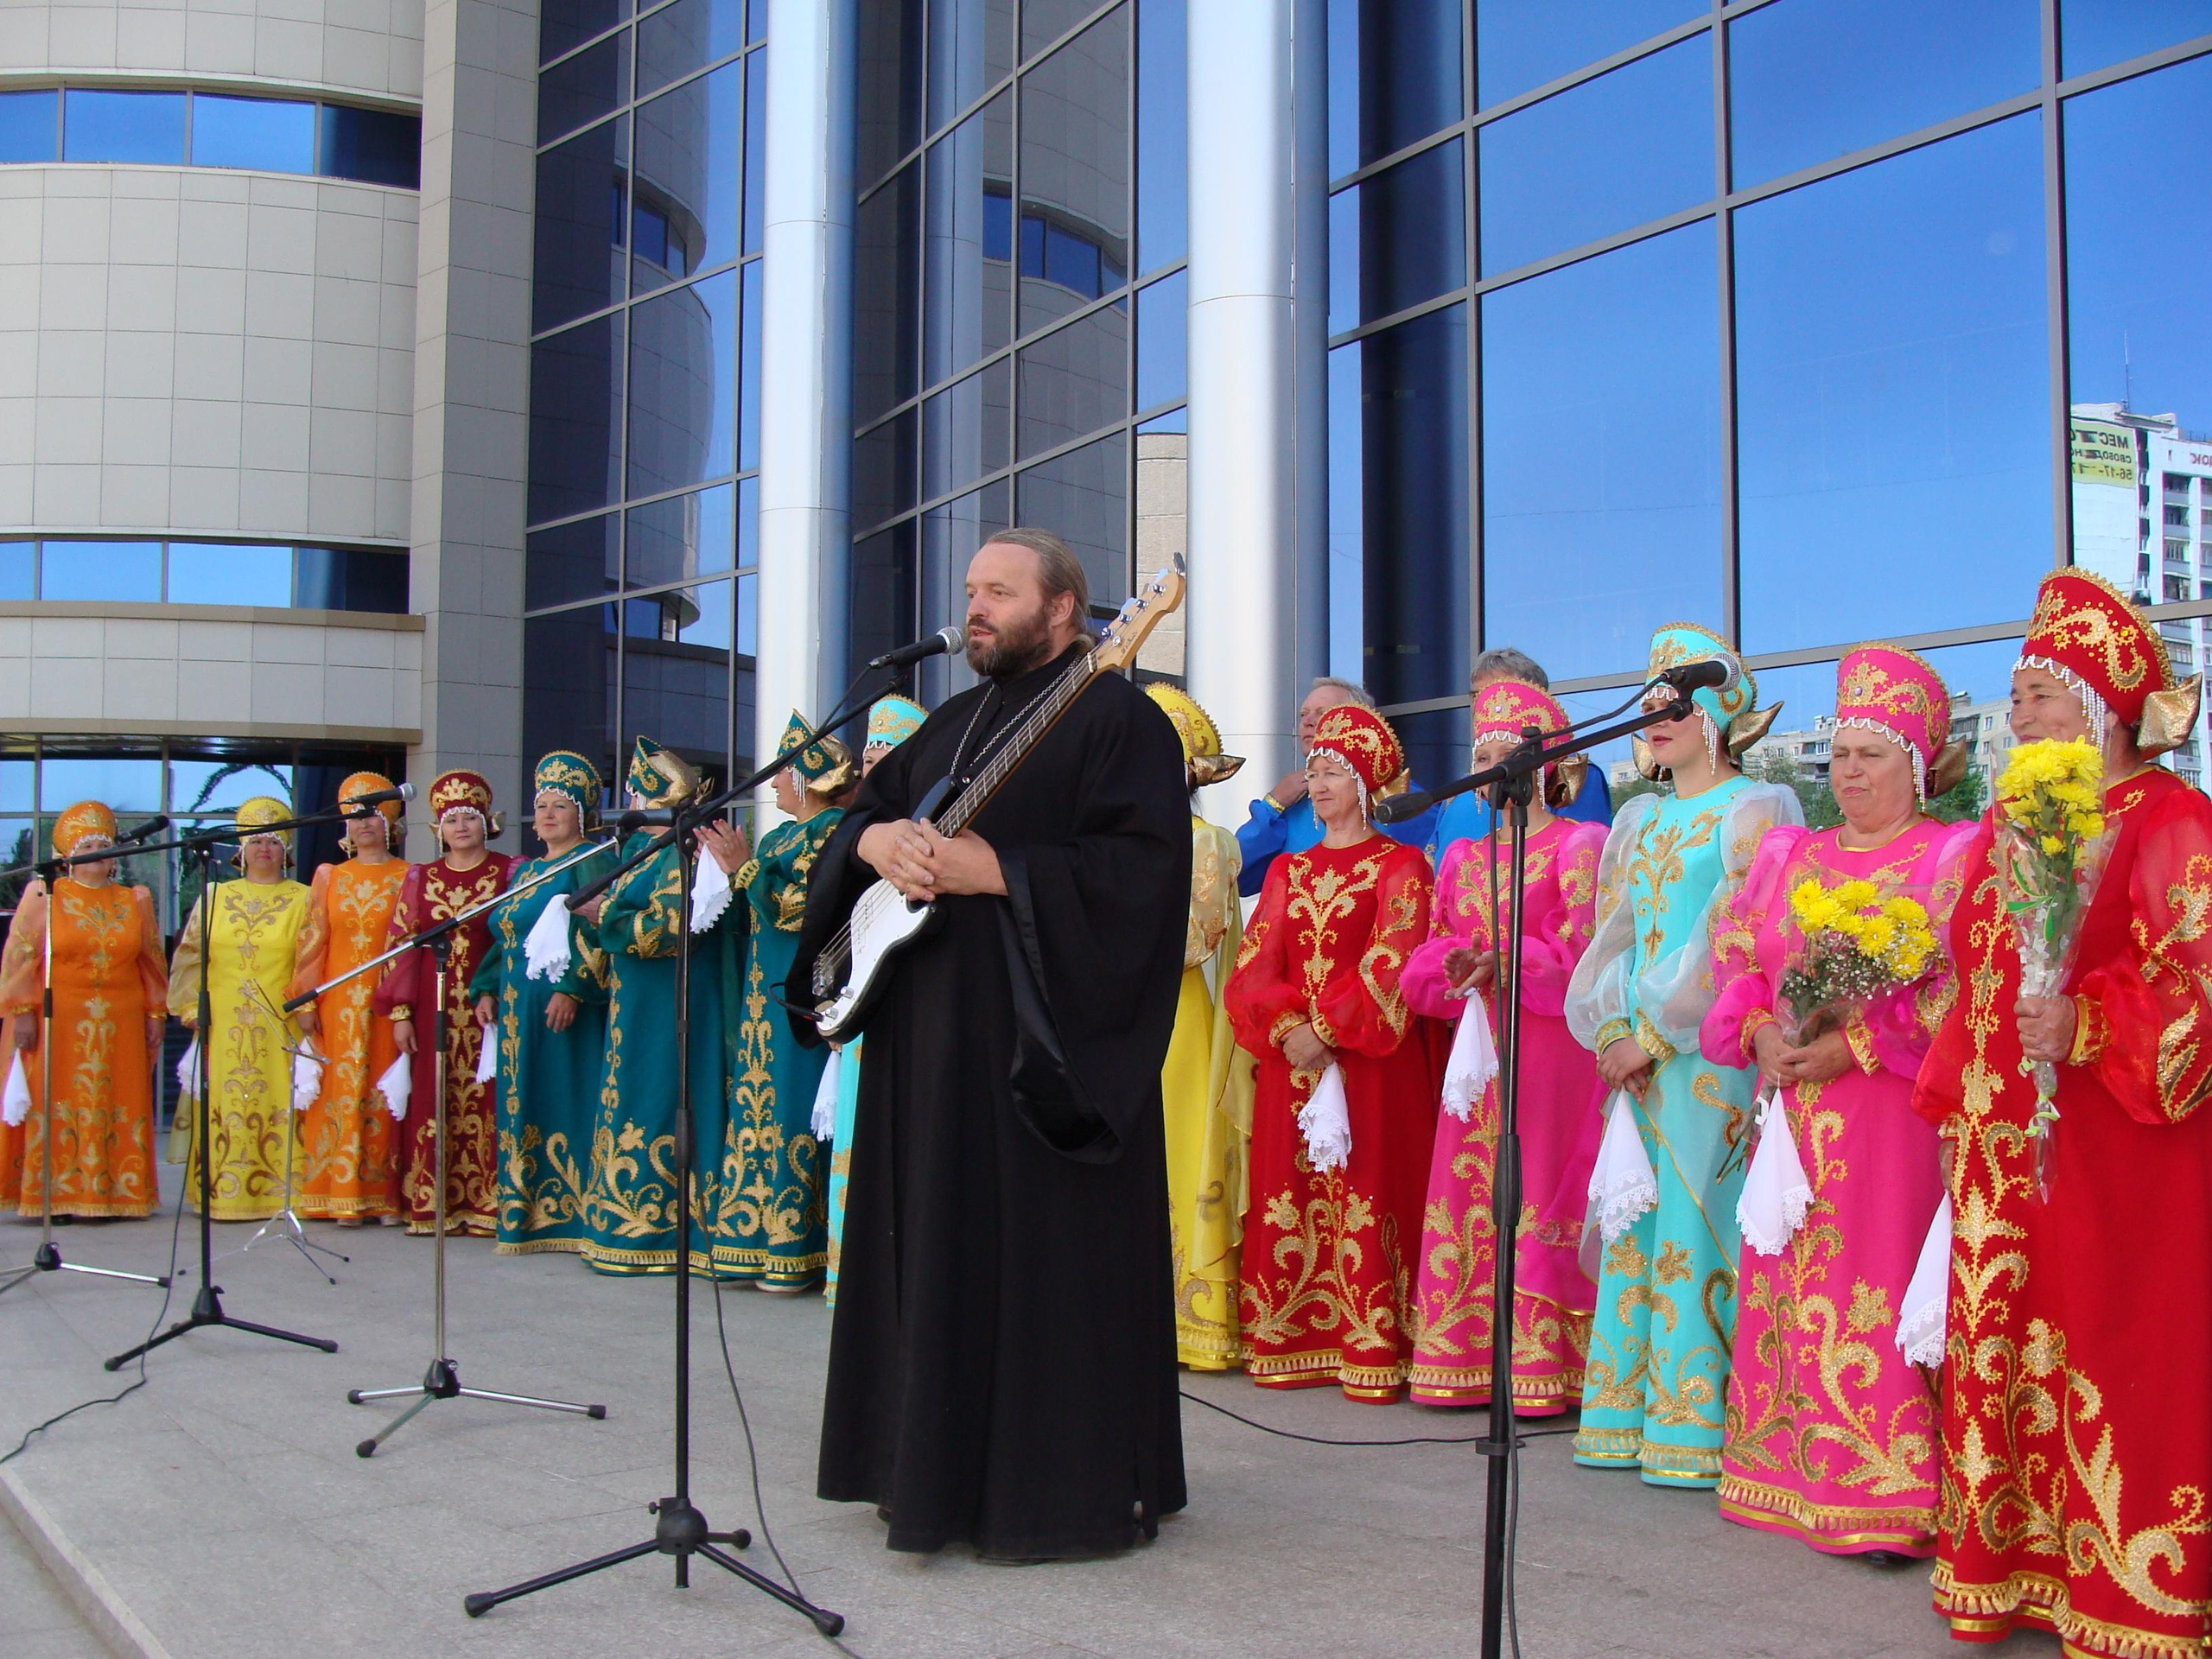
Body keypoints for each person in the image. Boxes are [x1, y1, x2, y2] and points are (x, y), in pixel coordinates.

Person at [792, 527, 1190, 1558]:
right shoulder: (953, 720)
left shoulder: (1122, 721)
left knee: (1031, 1266)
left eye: (997, 592)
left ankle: (1049, 1492)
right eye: (971, 590)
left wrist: (1002, 872)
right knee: (930, 1249)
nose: (974, 608)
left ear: (1062, 609)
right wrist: (870, 839)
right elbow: (865, 826)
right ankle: (923, 1473)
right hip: (926, 1046)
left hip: (1037, 1054)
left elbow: (1145, 875)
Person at [1912, 570, 2212, 1656]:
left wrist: (2083, 1029)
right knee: (2006, 1343)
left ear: (2101, 707)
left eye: (2041, 690)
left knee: (2112, 1343)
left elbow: (2199, 988)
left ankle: (2132, 1586)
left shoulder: (2172, 819)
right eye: (2019, 692)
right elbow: (1971, 981)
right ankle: (2016, 1566)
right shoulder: (2009, 829)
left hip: (2117, 1149)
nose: (2022, 709)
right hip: (2005, 1148)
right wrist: (1961, 1097)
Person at [1699, 645, 1972, 1559]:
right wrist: (1760, 1037)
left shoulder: (1949, 861)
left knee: (1874, 1282)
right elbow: (1737, 959)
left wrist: (1856, 1042)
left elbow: (1960, 997)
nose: (1849, 773)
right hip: (1792, 1114)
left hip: (1887, 1113)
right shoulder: (1789, 856)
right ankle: (1781, 1468)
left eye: (1872, 755)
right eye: (1840, 754)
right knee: (1788, 1279)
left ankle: (1883, 1494)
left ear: (1918, 764)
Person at [1564, 623, 1798, 1488]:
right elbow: (1613, 939)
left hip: (1706, 1058)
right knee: (1640, 1222)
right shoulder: (1638, 820)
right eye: (1650, 703)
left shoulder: (1753, 812)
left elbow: (1731, 935)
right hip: (1639, 1056)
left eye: (1674, 703)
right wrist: (1611, 1028)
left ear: (1714, 714)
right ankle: (1629, 1414)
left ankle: (1696, 1425)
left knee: (1699, 1222)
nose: (1655, 718)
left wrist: (1658, 1031)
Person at [1225, 702, 1442, 1400]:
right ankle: (1297, 1334)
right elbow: (1256, 963)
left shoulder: (1401, 865)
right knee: (1294, 1196)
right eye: (1314, 771)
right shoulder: (1289, 869)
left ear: (1365, 784)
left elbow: (1396, 957)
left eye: (1333, 772)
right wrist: (1287, 1026)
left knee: (1370, 1191)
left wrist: (1329, 1029)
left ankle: (1371, 1338)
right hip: (1296, 1064)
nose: (1317, 785)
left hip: (1371, 1065)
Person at [1401, 680, 1607, 1413]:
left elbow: (1588, 955)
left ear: (1546, 764)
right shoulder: (1460, 856)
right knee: (1470, 1181)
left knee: (1540, 1179)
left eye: (1504, 755)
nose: (1491, 768)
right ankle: (1466, 1350)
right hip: (1479, 1049)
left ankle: (1546, 1363)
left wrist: (1506, 959)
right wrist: (1455, 969)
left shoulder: (1583, 846)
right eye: (1481, 754)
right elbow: (1429, 954)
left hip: (1550, 1048)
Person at [699, 712, 856, 1290]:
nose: (772, 784)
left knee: (792, 1106)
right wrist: (734, 876)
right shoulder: (779, 837)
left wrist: (745, 872)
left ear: (809, 775)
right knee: (756, 1109)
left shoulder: (835, 831)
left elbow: (801, 910)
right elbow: (755, 912)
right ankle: (751, 1240)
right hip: (763, 992)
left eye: (782, 771)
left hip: (803, 988)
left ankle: (797, 1245)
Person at [578, 737, 730, 1274]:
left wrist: (606, 920)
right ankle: (623, 1220)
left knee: (655, 1097)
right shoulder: (641, 856)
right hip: (638, 1004)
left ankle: (656, 1227)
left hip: (669, 1005)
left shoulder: (677, 855)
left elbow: (666, 929)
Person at [1144, 682, 1256, 1371]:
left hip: (1173, 1019)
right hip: (1113, 1019)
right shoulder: (1102, 841)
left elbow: (1194, 940)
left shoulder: (1205, 842)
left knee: (1176, 1147)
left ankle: (1192, 1315)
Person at [470, 752, 613, 1256]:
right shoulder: (526, 869)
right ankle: (524, 1214)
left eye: (560, 806)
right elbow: (506, 932)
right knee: (524, 1099)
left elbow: (598, 928)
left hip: (561, 1007)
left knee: (565, 1097)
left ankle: (572, 1215)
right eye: (541, 806)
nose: (547, 815)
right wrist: (486, 986)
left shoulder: (591, 859)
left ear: (582, 814)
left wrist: (573, 987)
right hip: (516, 1005)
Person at [0, 802, 167, 1219]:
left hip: (122, 1019)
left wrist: (155, 1015)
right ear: (67, 855)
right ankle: (55, 1195)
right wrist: (21, 1010)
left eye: (104, 844)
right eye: (87, 844)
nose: (98, 850)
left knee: (118, 1098)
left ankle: (116, 1195)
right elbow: (21, 955)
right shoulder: (45, 893)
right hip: (60, 1017)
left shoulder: (135, 899)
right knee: (56, 1100)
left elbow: (151, 962)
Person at [374, 771, 512, 1236]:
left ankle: (488, 1203)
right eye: (451, 819)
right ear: (438, 830)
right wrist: (400, 1014)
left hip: (491, 1008)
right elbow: (401, 945)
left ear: (486, 822)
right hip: (431, 1006)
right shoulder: (420, 877)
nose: (461, 827)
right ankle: (437, 1204)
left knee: (489, 1100)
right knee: (435, 1101)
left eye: (469, 817)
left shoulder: (510, 871)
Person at [823, 692, 926, 1308]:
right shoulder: (858, 833)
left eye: (891, 753)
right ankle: (854, 1273)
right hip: (862, 1002)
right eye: (871, 753)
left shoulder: (941, 829)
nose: (876, 764)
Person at [168, 797, 315, 1220]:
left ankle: (282, 1193)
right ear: (240, 849)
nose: (263, 848)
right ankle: (222, 1193)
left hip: (280, 1019)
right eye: (255, 840)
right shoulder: (214, 896)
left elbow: (309, 960)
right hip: (223, 1020)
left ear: (285, 847)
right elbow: (191, 955)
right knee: (225, 1102)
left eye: (272, 840)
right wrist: (192, 1009)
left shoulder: (304, 898)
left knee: (278, 1100)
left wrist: (306, 1008)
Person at [288, 773, 410, 1226]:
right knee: (337, 1093)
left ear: (390, 823)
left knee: (382, 1093)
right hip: (336, 1002)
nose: (364, 826)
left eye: (373, 816)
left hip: (385, 1002)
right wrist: (304, 1002)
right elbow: (311, 941)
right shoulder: (329, 877)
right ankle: (336, 1194)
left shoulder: (407, 875)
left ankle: (381, 1195)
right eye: (356, 817)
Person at [1236, 677, 1437, 896]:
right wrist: (1271, 805)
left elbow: (1429, 886)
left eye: (1322, 714)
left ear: (1361, 725)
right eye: (1304, 714)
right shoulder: (1292, 801)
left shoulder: (1400, 798)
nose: (1308, 722)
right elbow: (1237, 879)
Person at [1430, 648, 1614, 853]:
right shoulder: (1459, 793)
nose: (1486, 705)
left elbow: (1585, 855)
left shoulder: (1565, 772)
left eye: (1500, 693)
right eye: (1477, 696)